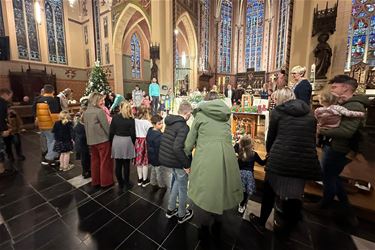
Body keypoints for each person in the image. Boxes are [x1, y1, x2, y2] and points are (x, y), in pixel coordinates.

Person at [249, 88, 321, 237]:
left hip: (280, 160)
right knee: (294, 196)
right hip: (302, 161)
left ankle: (262, 223)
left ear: (281, 99)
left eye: (275, 99)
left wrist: (270, 153)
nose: (273, 102)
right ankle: (287, 231)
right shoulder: (310, 114)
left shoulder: (277, 113)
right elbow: (312, 139)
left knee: (269, 192)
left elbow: (271, 139)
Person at [308, 75, 369, 226]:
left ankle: (332, 206)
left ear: (346, 88)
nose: (332, 89)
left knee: (329, 176)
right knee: (331, 176)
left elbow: (346, 132)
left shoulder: (355, 106)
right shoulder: (345, 104)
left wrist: (321, 130)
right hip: (335, 147)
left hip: (340, 149)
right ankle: (341, 209)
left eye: (335, 87)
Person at [184, 91, 242, 242]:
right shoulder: (226, 116)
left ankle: (203, 228)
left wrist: (186, 151)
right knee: (220, 189)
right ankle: (218, 223)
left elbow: (189, 142)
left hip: (206, 157)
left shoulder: (200, 116)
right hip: (225, 158)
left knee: (204, 192)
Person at [159, 101, 193, 224]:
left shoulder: (170, 122)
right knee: (183, 188)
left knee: (176, 184)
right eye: (190, 113)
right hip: (177, 161)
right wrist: (186, 165)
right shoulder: (184, 127)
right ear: (187, 113)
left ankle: (170, 209)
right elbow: (177, 148)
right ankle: (182, 215)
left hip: (168, 159)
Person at [83, 92, 114, 188]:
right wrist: (111, 137)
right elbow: (106, 127)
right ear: (96, 101)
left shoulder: (86, 111)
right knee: (105, 161)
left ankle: (96, 181)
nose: (103, 101)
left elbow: (86, 127)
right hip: (102, 140)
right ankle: (106, 182)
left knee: (95, 161)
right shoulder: (99, 111)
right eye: (101, 100)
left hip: (91, 141)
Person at [234, 135, 266, 214]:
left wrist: (238, 142)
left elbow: (235, 147)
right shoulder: (254, 154)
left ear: (241, 143)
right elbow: (262, 163)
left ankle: (237, 202)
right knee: (245, 193)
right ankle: (241, 206)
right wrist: (268, 158)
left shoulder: (239, 150)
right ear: (251, 144)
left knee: (239, 190)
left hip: (239, 174)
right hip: (248, 175)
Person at [109, 101, 136, 193]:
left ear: (120, 108)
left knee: (118, 163)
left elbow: (111, 131)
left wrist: (111, 142)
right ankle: (127, 182)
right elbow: (133, 134)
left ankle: (120, 182)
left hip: (117, 140)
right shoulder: (131, 119)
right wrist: (133, 143)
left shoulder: (115, 117)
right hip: (127, 141)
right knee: (126, 164)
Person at [33, 84, 62, 166]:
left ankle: (54, 155)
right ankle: (49, 158)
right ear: (53, 91)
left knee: (49, 140)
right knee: (53, 141)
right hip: (50, 124)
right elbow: (54, 115)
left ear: (44, 91)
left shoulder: (39, 100)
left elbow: (36, 113)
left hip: (42, 124)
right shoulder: (52, 100)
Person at [146, 114, 168, 191]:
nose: (162, 125)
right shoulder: (159, 135)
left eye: (162, 123)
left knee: (153, 169)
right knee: (159, 172)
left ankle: (152, 182)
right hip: (157, 156)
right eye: (159, 124)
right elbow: (161, 148)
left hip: (151, 155)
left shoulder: (150, 130)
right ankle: (161, 185)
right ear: (154, 124)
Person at [134, 105, 153, 187]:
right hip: (145, 141)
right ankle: (145, 180)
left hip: (137, 141)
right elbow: (151, 132)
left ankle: (139, 179)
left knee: (138, 162)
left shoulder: (135, 121)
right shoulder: (147, 123)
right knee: (145, 162)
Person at [0, 88, 15, 177]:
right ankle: (1, 171)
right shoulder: (2, 103)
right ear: (5, 94)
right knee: (1, 150)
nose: (9, 98)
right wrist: (4, 129)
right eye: (10, 96)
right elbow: (1, 117)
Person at [73, 110, 91, 179]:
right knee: (85, 159)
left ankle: (85, 170)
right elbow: (86, 137)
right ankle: (86, 172)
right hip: (83, 146)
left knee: (84, 159)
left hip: (78, 145)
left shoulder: (77, 125)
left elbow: (73, 135)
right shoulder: (84, 127)